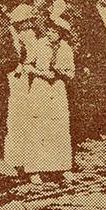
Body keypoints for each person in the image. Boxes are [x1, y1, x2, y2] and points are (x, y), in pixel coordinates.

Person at [20, 16, 75, 178]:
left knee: (59, 126)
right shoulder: (39, 44)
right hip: (40, 87)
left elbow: (72, 73)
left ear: (62, 34)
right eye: (49, 30)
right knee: (37, 125)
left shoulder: (66, 49)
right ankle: (34, 170)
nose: (50, 33)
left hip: (57, 88)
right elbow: (26, 66)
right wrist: (42, 73)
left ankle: (62, 167)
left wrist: (62, 72)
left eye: (55, 31)